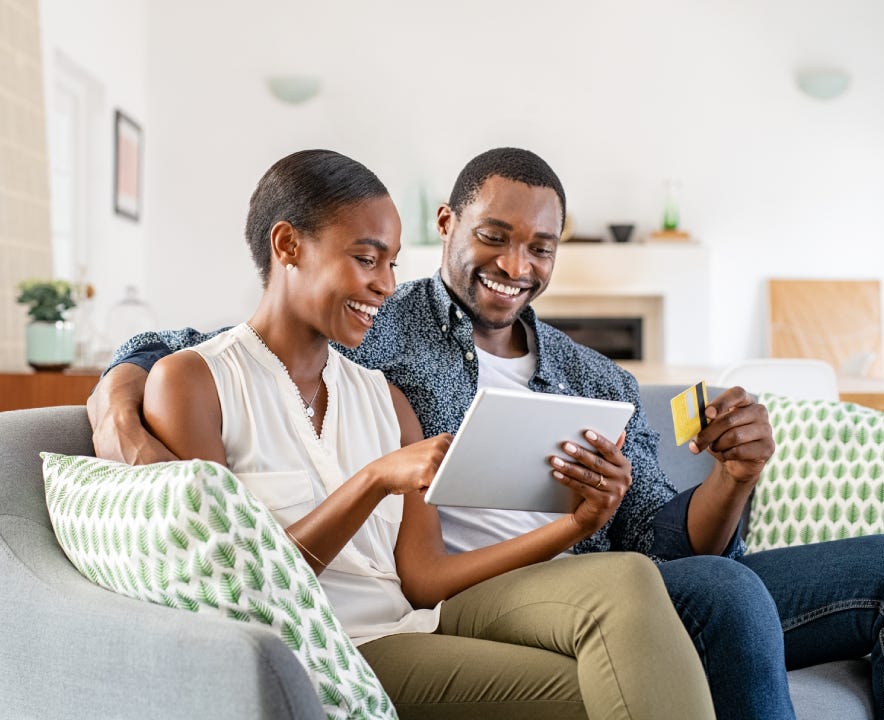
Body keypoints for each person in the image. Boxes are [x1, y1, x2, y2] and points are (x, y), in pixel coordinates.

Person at [89, 147, 884, 720]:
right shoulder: (388, 328)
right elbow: (217, 341)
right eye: (494, 236)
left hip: (604, 578)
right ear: (448, 227)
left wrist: (733, 476)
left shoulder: (593, 377)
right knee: (721, 592)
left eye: (541, 247)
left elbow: (660, 538)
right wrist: (120, 389)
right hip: (475, 602)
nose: (516, 265)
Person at [141, 148, 715, 719]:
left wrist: (578, 523)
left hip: (416, 624)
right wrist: (372, 480)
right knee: (601, 692)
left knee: (629, 597)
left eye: (392, 263)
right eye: (367, 259)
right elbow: (237, 592)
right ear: (288, 245)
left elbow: (423, 581)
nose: (387, 285)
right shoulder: (193, 383)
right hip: (328, 652)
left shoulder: (384, 399)